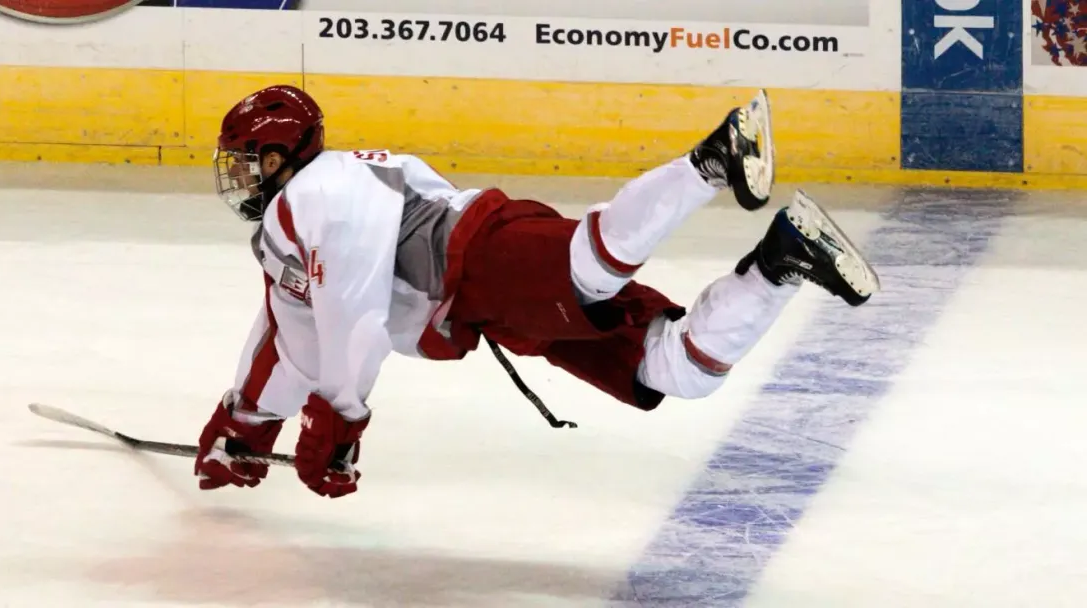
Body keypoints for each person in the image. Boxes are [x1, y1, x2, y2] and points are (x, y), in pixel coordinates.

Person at [192, 85, 880, 498]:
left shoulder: (312, 194)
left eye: (249, 163)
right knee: (675, 370)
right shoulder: (310, 208)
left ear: (282, 155)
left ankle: (712, 161)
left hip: (480, 257)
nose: (242, 179)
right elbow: (293, 330)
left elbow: (352, 307)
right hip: (488, 302)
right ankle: (784, 259)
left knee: (592, 272)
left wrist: (339, 416)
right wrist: (247, 420)